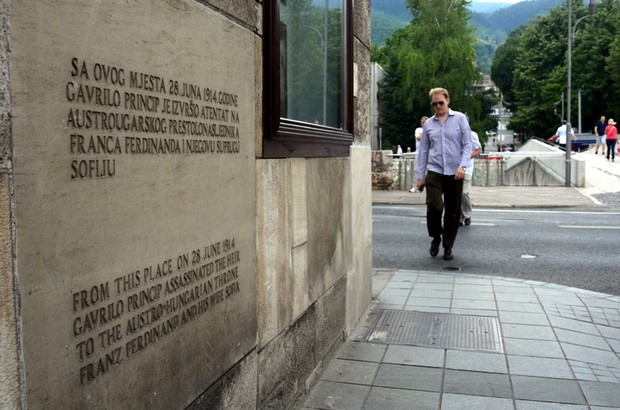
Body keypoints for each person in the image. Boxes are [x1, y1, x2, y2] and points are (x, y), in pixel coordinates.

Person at [416, 88, 471, 260]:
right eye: (435, 104)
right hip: (435, 170)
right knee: (435, 206)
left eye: (441, 102)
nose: (438, 106)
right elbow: (423, 151)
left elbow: (467, 145)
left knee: (453, 211)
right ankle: (435, 236)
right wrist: (420, 177)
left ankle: (448, 246)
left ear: (448, 101)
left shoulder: (460, 119)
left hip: (455, 172)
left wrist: (462, 166)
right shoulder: (429, 125)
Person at [460, 131, 482, 227]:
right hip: (454, 168)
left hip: (467, 168)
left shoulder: (473, 134)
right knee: (456, 194)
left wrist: (466, 157)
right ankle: (459, 218)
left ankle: (467, 214)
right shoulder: (453, 132)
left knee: (464, 193)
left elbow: (478, 150)